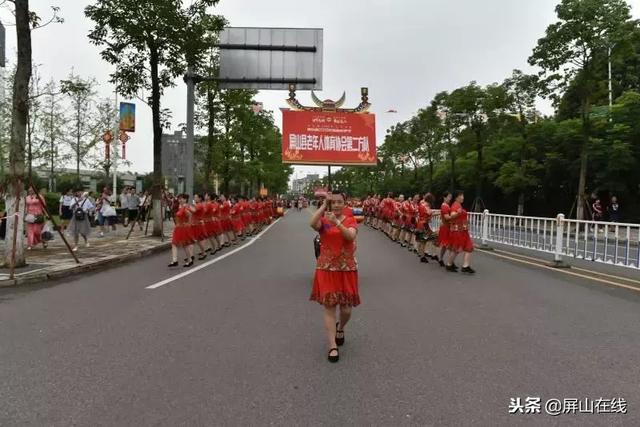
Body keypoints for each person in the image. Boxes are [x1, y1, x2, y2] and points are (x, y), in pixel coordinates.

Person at [309, 192, 360, 363]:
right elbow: (311, 223)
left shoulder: (350, 219)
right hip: (327, 268)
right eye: (334, 202)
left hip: (346, 269)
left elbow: (350, 236)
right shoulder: (324, 221)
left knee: (346, 309)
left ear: (345, 203)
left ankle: (341, 327)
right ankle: (332, 345)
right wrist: (323, 206)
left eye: (340, 202)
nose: (337, 205)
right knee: (329, 307)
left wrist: (337, 222)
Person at [446, 190, 475, 274]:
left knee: (468, 247)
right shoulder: (455, 205)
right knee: (456, 249)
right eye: (461, 195)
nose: (463, 197)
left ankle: (465, 266)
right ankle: (449, 264)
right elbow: (452, 215)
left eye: (463, 195)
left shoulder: (459, 205)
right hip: (458, 231)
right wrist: (457, 213)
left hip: (463, 230)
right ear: (457, 197)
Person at [169, 194, 195, 267]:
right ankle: (175, 260)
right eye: (179, 199)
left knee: (185, 245)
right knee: (174, 243)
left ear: (185, 199)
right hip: (178, 228)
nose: (180, 200)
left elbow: (191, 214)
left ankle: (190, 260)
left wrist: (188, 223)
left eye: (182, 199)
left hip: (183, 228)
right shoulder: (180, 206)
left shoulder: (186, 207)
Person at [438, 191, 453, 268]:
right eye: (449, 197)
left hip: (447, 226)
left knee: (446, 245)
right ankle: (449, 262)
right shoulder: (444, 206)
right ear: (444, 197)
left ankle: (442, 259)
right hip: (445, 227)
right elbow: (447, 217)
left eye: (450, 197)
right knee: (447, 245)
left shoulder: (447, 205)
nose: (450, 198)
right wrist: (456, 215)